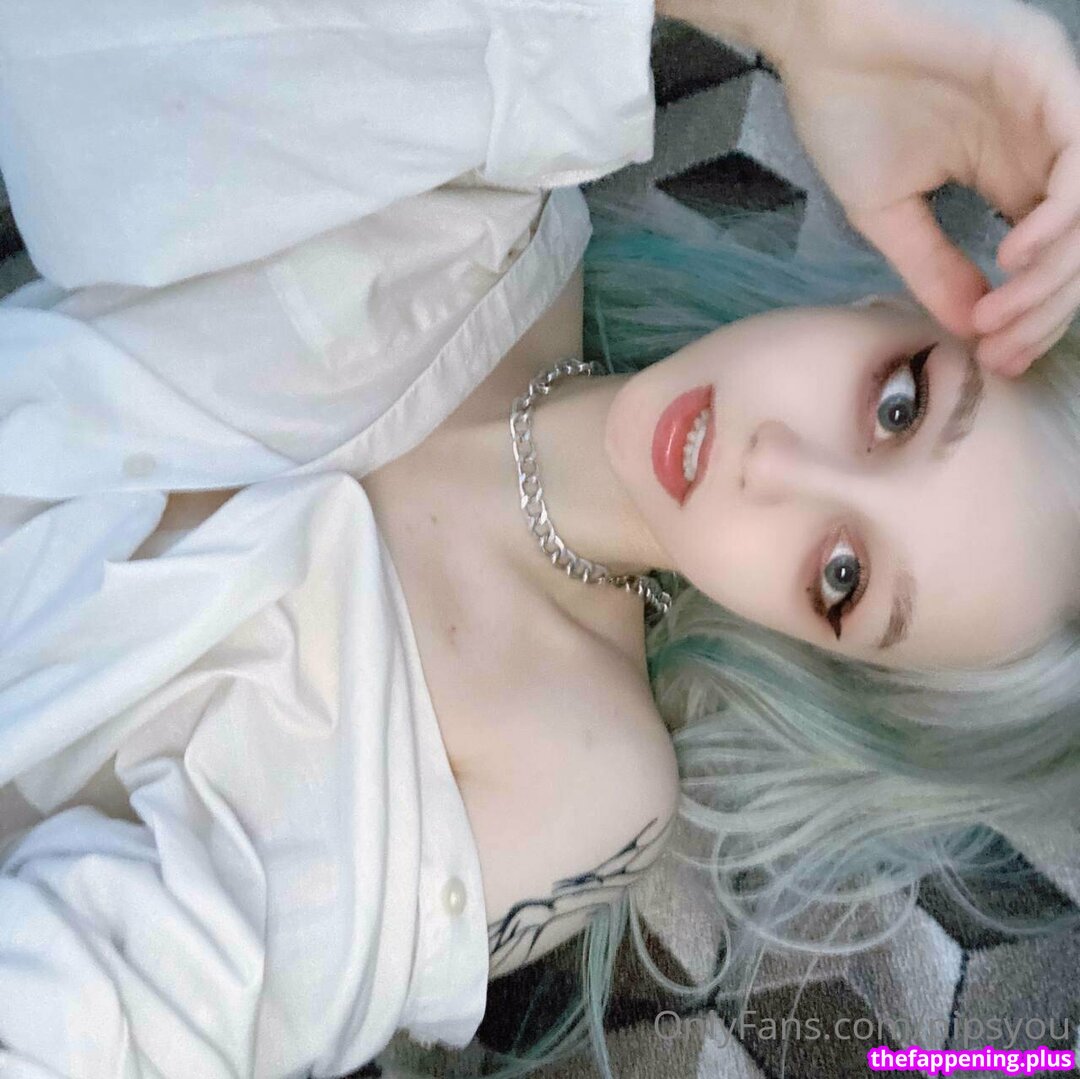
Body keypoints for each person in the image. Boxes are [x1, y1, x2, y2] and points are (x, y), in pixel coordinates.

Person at [0, 1, 1078, 1078]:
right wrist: (803, 23)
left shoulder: (581, 771)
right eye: (898, 405)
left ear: (821, 649)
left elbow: (126, 1023)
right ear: (893, 304)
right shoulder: (488, 177)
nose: (774, 465)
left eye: (842, 574)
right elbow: (76, 63)